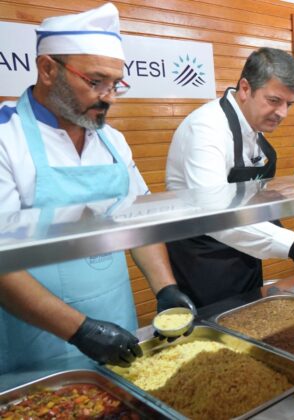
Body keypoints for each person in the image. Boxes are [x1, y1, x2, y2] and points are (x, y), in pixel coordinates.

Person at [0, 3, 194, 374]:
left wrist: (165, 289)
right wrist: (80, 330)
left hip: (115, 319)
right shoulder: (6, 139)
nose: (110, 97)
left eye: (116, 83)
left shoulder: (113, 142)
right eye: (95, 81)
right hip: (36, 338)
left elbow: (137, 221)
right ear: (47, 69)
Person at [166, 48, 294, 308]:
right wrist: (293, 243)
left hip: (244, 252)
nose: (282, 113)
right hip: (203, 261)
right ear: (245, 88)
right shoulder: (206, 130)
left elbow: (248, 198)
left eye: (288, 104)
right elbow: (216, 215)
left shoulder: (253, 130)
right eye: (274, 100)